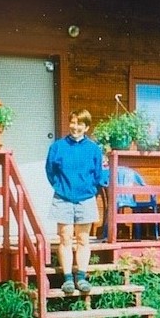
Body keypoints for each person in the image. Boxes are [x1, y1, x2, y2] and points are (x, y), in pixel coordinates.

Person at [45, 109, 103, 294]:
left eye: (80, 124)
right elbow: (50, 171)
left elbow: (97, 175)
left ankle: (82, 277)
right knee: (65, 238)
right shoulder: (58, 147)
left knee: (83, 239)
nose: (75, 127)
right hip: (63, 199)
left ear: (86, 127)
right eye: (73, 122)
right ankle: (68, 278)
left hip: (85, 199)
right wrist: (60, 187)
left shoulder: (93, 149)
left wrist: (88, 189)